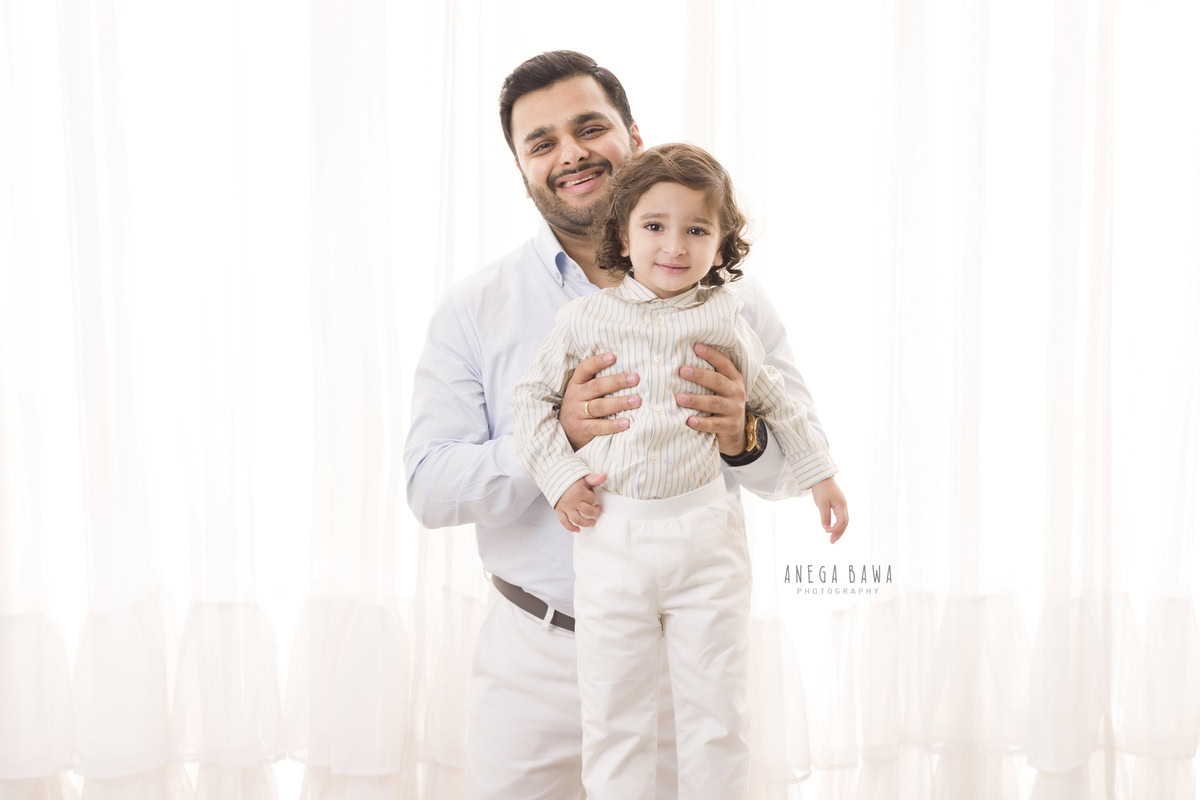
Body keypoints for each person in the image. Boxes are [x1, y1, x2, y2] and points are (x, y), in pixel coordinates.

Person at [404, 51, 849, 800]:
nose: (570, 153)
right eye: (541, 143)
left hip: (683, 652)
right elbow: (427, 487)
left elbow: (781, 468)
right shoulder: (476, 307)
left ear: (633, 138)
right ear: (520, 168)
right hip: (534, 660)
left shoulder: (730, 302)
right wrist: (556, 443)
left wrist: (744, 434)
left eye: (589, 128)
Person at [511, 142, 839, 800]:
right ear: (624, 237)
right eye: (654, 226)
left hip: (705, 539)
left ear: (721, 247)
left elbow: (772, 395)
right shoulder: (584, 319)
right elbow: (531, 403)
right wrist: (561, 478)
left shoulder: (725, 316)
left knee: (718, 716)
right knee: (614, 718)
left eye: (697, 229)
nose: (674, 245)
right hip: (612, 540)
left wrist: (820, 476)